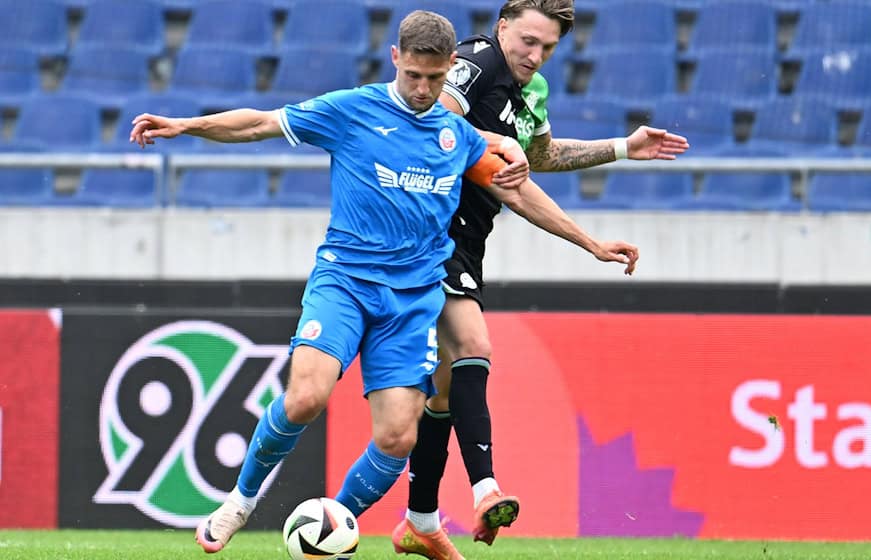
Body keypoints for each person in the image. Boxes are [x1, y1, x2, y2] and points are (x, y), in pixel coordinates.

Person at [129, 10, 639, 560]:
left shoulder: (457, 135)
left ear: (450, 70)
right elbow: (260, 123)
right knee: (306, 398)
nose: (423, 90)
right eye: (414, 76)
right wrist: (186, 125)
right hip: (345, 281)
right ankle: (240, 501)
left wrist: (590, 243)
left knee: (399, 436)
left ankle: (331, 525)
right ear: (396, 60)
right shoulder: (353, 110)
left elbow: (517, 191)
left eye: (435, 79)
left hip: (413, 300)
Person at [393, 0, 689, 556]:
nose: (536, 55)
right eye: (528, 41)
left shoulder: (531, 92)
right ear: (502, 26)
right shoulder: (474, 64)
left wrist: (623, 148)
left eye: (548, 47)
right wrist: (500, 156)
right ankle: (485, 490)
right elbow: (432, 124)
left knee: (442, 394)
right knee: (472, 345)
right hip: (432, 234)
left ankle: (420, 520)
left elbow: (541, 157)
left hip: (468, 239)